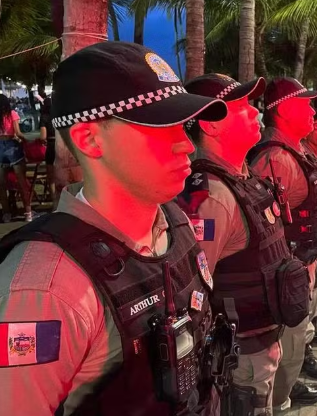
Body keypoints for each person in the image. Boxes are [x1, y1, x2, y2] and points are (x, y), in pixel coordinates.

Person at [0, 42, 233, 415]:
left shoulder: (174, 221)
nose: (185, 144)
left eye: (182, 124)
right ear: (89, 139)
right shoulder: (48, 289)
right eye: (160, 126)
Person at [178, 74, 311, 416]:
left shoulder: (242, 177)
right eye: (242, 107)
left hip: (261, 340)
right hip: (241, 357)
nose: (255, 112)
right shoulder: (210, 198)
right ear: (210, 126)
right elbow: (193, 290)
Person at [248, 77, 317, 411]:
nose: (312, 109)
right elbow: (266, 228)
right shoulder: (275, 160)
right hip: (283, 279)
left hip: (297, 269)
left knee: (293, 347)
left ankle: (285, 393)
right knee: (286, 350)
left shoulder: (294, 151)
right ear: (282, 111)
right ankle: (282, 399)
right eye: (304, 103)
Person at [0, 93, 32, 222]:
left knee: (1, 185)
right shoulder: (12, 113)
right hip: (12, 147)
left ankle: (6, 214)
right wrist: (27, 140)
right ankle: (28, 213)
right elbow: (17, 133)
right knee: (21, 182)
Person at [38, 97, 59, 208]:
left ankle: (55, 204)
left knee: (51, 178)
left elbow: (43, 136)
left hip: (51, 146)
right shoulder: (59, 115)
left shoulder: (44, 117)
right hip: (62, 146)